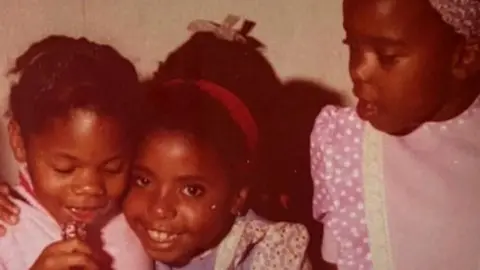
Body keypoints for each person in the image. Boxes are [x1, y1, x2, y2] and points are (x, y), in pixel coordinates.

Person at [311, 0, 480, 269]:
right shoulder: (345, 144)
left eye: (388, 56)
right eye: (353, 47)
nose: (358, 70)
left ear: (464, 58)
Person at [125, 76, 310, 269]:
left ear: (237, 197)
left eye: (192, 190)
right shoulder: (118, 234)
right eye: (143, 180)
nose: (159, 209)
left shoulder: (269, 252)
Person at [0, 35, 151, 269]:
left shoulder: (138, 222)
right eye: (65, 168)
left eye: (112, 168)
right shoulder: (6, 230)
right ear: (19, 141)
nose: (91, 188)